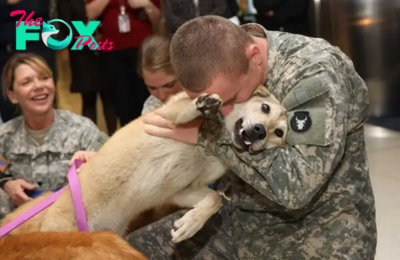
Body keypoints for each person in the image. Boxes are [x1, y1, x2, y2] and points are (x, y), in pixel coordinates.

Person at [126, 16, 377, 259]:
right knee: (117, 251)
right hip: (240, 222)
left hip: (320, 235)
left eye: (231, 99)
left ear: (255, 57)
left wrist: (208, 136)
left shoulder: (314, 73)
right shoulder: (218, 60)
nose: (224, 111)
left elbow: (298, 188)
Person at [0, 53, 108, 219]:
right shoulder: (4, 137)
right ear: (12, 95)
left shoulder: (82, 130)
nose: (38, 86)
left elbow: (113, 171)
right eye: (26, 82)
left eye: (44, 78)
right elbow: (2, 174)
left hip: (76, 229)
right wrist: (7, 184)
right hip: (22, 233)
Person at [85, 0, 161, 127]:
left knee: (147, 97)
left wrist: (146, 4)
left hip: (143, 49)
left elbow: (158, 19)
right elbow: (90, 13)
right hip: (113, 51)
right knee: (121, 101)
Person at [58, 0, 117, 135]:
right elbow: (65, 28)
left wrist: (105, 34)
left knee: (110, 99)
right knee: (88, 99)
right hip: (82, 54)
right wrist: (87, 35)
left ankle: (114, 139)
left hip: (106, 50)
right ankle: (90, 140)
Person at [0, 0, 58, 123]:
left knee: (40, 108)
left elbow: (36, 11)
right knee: (9, 111)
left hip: (36, 56)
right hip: (4, 58)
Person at [138, 33, 182, 114]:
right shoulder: (151, 108)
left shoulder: (206, 96)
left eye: (169, 85)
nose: (162, 96)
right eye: (152, 88)